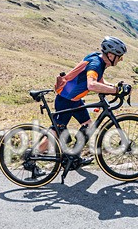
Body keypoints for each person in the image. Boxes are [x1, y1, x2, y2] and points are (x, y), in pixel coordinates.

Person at [39, 36, 129, 168]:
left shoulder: (99, 60)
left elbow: (100, 82)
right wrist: (115, 90)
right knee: (55, 132)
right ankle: (31, 156)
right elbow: (92, 85)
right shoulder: (96, 64)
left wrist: (116, 87)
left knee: (88, 126)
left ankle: (74, 156)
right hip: (65, 100)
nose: (120, 60)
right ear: (110, 55)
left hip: (75, 100)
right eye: (119, 57)